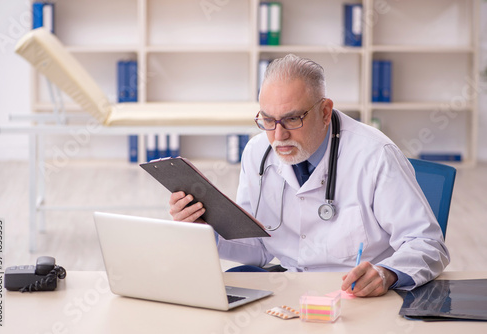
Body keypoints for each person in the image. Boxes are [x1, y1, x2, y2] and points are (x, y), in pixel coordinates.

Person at [169, 54, 450, 297]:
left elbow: (428, 245)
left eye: (292, 119)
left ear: (325, 111)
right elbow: (259, 249)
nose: (278, 136)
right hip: (288, 289)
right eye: (267, 120)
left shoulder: (375, 155)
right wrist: (207, 228)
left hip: (357, 295)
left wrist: (387, 273)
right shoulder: (257, 151)